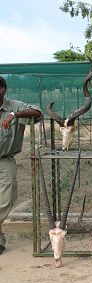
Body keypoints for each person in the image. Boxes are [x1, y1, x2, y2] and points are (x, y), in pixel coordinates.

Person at [0, 76, 42, 255]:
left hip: (5, 159)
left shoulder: (14, 106)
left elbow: (38, 113)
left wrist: (14, 115)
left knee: (7, 199)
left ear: (2, 89)